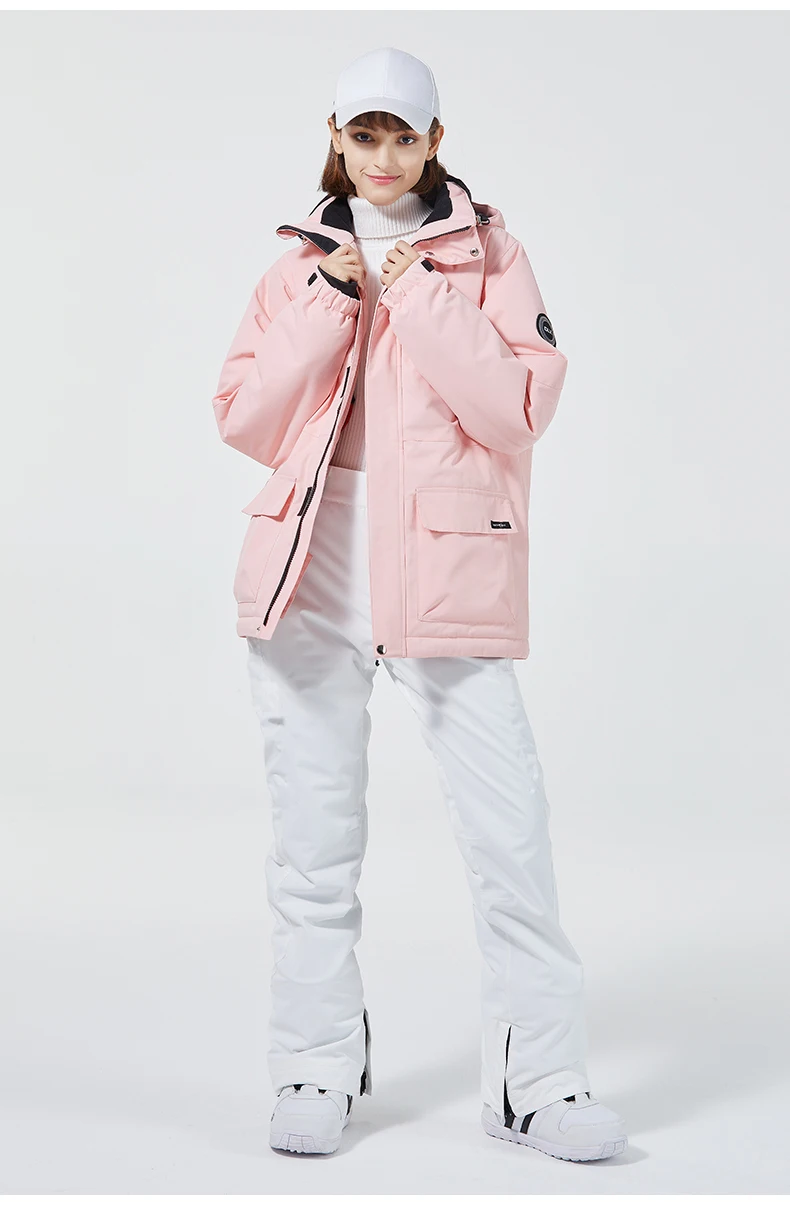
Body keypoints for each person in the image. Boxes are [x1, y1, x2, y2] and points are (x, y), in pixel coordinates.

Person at [211, 46, 628, 1162]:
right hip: (313, 567)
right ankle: (313, 1063)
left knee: (509, 835)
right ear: (336, 138)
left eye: (404, 136)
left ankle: (539, 1083)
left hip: (445, 562)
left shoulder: (489, 255)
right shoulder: (298, 265)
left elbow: (517, 407)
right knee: (312, 844)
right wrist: (331, 299)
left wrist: (414, 292)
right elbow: (244, 419)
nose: (384, 157)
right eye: (365, 135)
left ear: (436, 140)